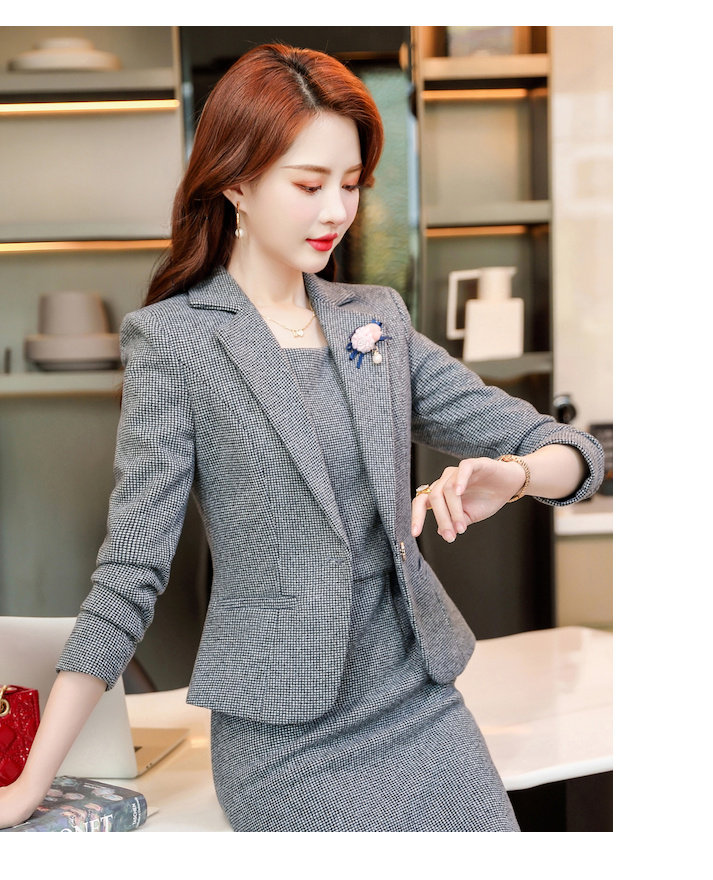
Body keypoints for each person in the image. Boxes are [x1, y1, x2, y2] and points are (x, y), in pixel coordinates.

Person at [0, 44, 603, 832]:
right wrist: (29, 784)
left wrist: (515, 476)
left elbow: (576, 455)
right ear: (235, 181)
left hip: (421, 709)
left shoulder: (375, 320)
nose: (336, 212)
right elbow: (129, 576)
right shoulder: (176, 341)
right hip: (285, 737)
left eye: (350, 185)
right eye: (310, 185)